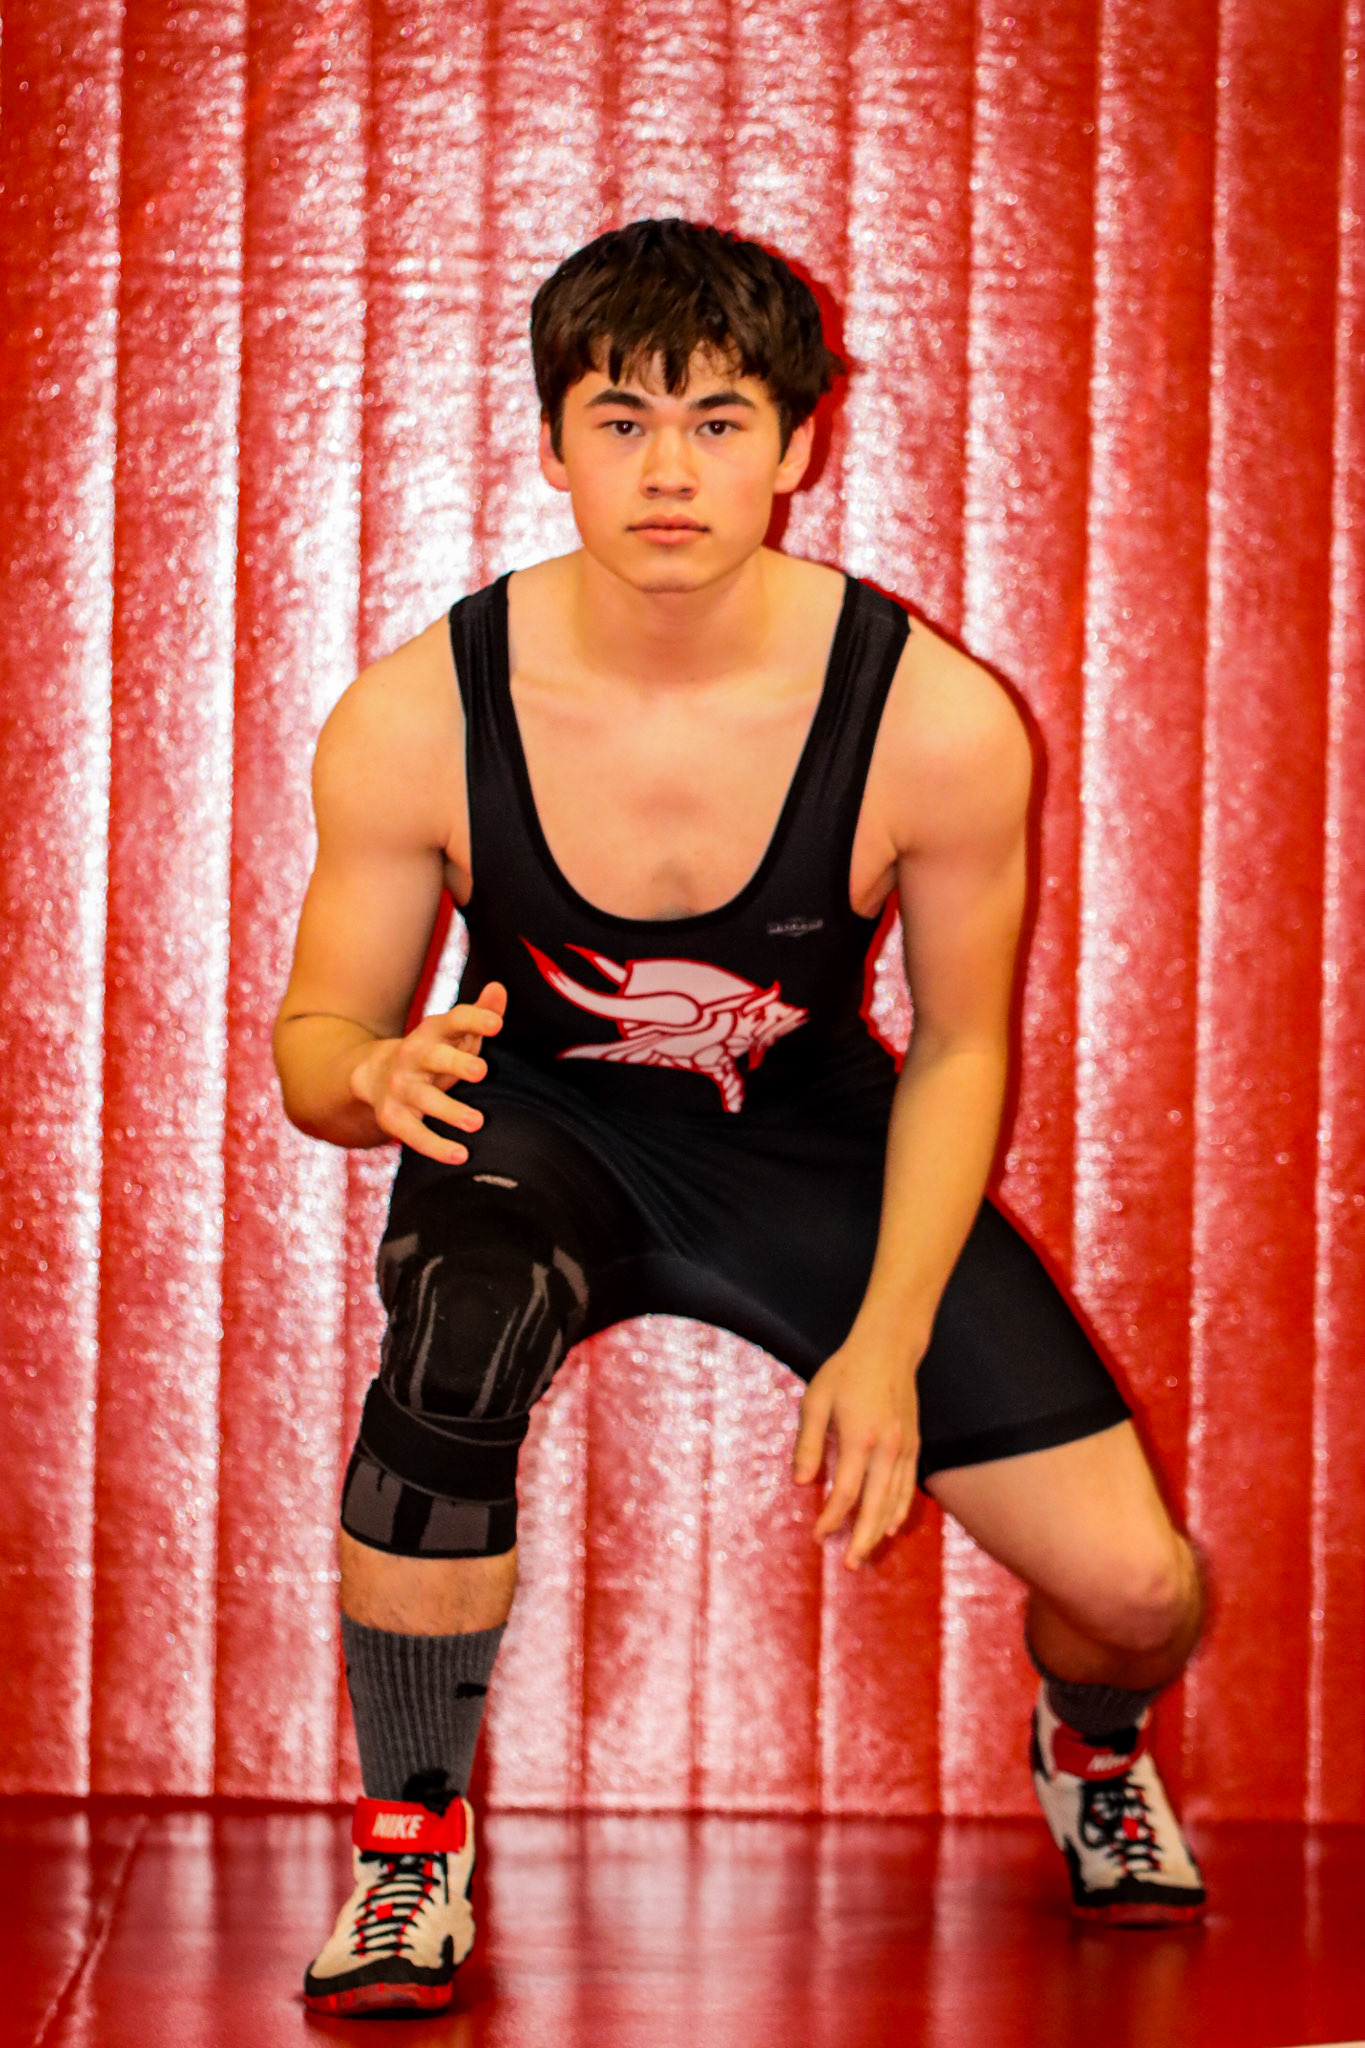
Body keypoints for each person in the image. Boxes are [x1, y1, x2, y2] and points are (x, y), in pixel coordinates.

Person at [275, 218, 1206, 2019]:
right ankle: (408, 1845)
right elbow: (319, 1042)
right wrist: (368, 1078)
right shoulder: (417, 713)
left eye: (716, 422)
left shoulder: (932, 719)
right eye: (620, 421)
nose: (668, 470)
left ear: (796, 446)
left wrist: (889, 1335)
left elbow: (958, 1048)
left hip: (815, 1146)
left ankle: (1092, 1746)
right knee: (459, 1334)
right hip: (539, 1122)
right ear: (550, 443)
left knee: (1137, 1589)